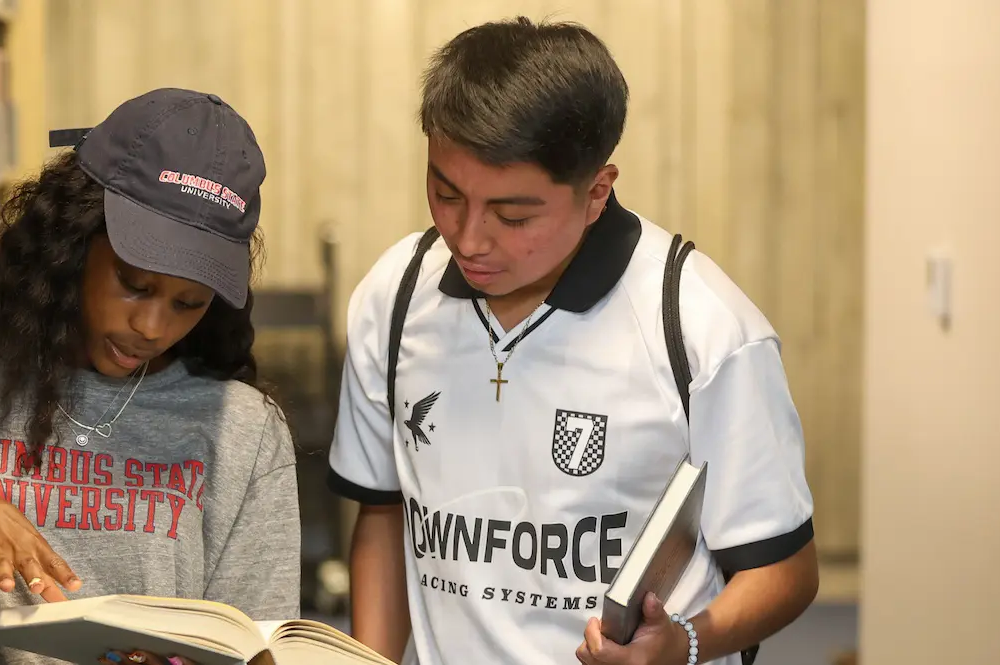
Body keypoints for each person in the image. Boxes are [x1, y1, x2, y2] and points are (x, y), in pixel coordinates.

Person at [328, 17, 819, 665]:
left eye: (512, 215)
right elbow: (384, 515)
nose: (469, 237)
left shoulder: (702, 326)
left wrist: (687, 641)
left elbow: (784, 569)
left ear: (596, 192)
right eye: (445, 194)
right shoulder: (392, 297)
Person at [0, 88, 299, 665]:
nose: (151, 325)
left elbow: (258, 649)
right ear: (71, 242)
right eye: (134, 284)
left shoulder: (244, 432)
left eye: (188, 303)